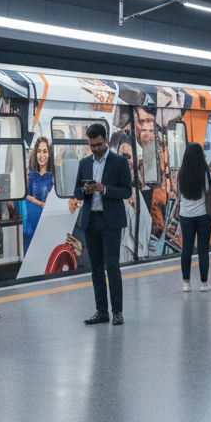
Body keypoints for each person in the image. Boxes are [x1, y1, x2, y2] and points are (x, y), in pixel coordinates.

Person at [74, 123, 132, 325]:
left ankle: (117, 311)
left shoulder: (119, 162)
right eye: (92, 145)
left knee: (112, 266)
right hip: (91, 221)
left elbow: (127, 191)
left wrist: (104, 189)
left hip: (111, 222)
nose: (96, 149)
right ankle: (101, 311)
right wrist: (85, 191)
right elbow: (76, 191)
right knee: (96, 268)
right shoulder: (84, 163)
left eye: (98, 144)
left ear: (105, 140)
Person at [177, 141, 211, 293]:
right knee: (203, 250)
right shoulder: (207, 173)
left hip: (186, 216)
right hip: (204, 215)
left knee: (186, 249)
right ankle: (204, 284)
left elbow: (179, 194)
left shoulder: (181, 174)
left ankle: (186, 283)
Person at [25, 136, 54, 253]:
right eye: (39, 151)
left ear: (49, 153)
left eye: (45, 151)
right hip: (32, 219)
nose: (42, 155)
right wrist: (41, 204)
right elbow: (25, 195)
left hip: (50, 220)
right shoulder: (30, 172)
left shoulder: (55, 173)